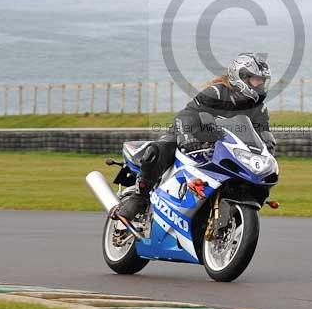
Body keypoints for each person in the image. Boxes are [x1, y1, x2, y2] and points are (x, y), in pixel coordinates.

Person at [114, 53, 277, 222]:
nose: (260, 84)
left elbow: (262, 133)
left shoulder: (259, 107)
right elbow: (186, 115)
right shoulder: (217, 92)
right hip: (188, 137)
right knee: (157, 150)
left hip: (221, 145)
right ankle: (139, 198)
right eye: (256, 79)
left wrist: (268, 151)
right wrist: (186, 136)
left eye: (263, 80)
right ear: (241, 77)